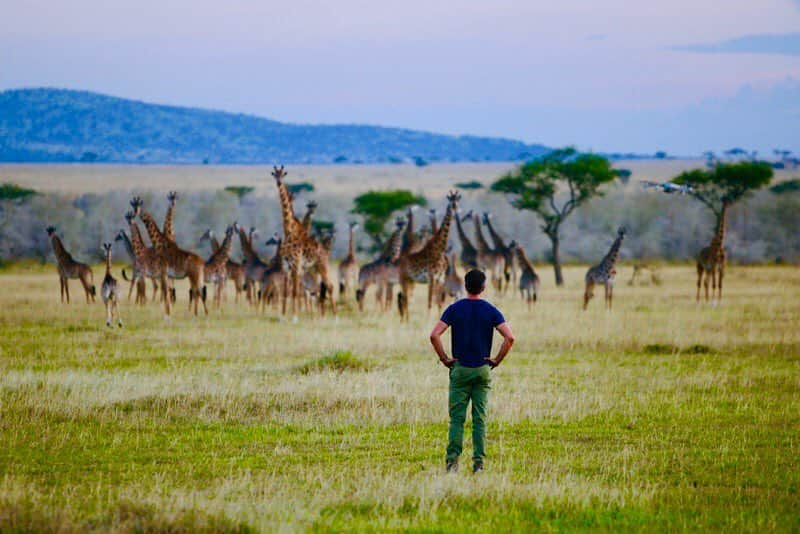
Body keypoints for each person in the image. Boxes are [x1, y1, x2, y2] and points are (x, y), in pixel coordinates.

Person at [429, 269, 515, 473]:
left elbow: (434, 335)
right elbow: (510, 338)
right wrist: (496, 360)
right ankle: (478, 465)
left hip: (460, 369)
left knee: (457, 419)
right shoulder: (491, 310)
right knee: (480, 419)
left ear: (465, 285)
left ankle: (452, 463)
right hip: (483, 370)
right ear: (483, 287)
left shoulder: (454, 309)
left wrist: (444, 359)